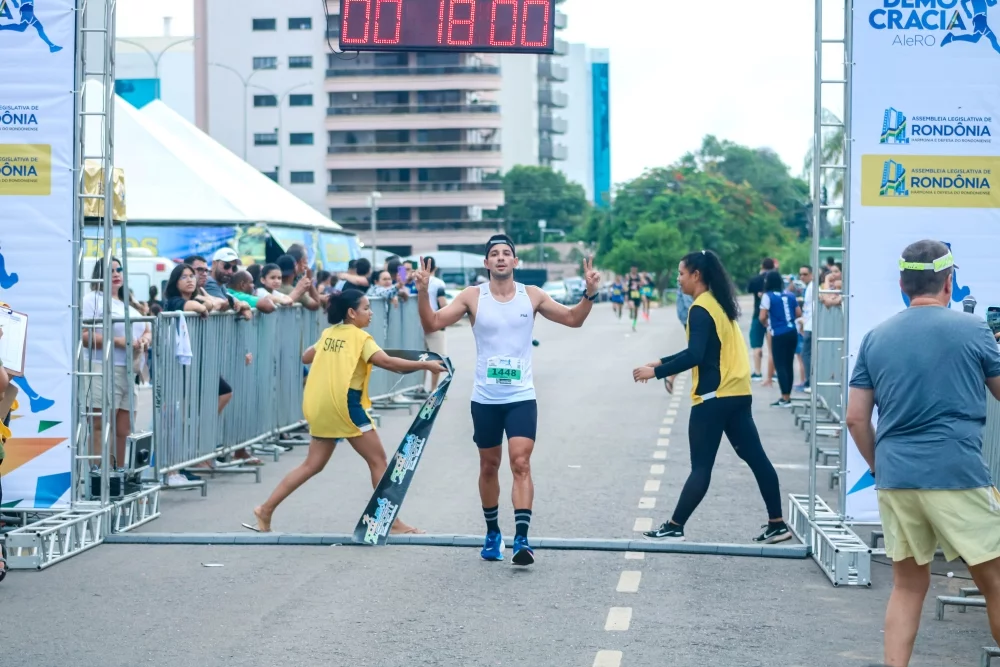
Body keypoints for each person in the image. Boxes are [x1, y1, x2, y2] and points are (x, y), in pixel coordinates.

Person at [845, 239, 1000, 667]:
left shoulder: (876, 337)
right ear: (949, 282)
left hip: (897, 476)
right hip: (957, 473)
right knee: (995, 581)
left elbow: (856, 418)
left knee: (908, 586)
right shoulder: (974, 330)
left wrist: (880, 467)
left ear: (902, 283)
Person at [412, 234, 601, 566]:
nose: (501, 258)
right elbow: (433, 322)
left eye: (507, 254)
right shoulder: (473, 296)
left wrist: (589, 293)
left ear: (516, 262)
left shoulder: (533, 296)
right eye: (494, 254)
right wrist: (423, 291)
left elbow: (574, 318)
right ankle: (492, 532)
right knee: (489, 466)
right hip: (485, 398)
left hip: (520, 396)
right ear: (486, 263)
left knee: (521, 462)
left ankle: (522, 539)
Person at [245, 289, 446, 534]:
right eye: (365, 308)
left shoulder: (329, 333)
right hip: (346, 405)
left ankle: (265, 509)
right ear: (351, 313)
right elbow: (389, 363)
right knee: (378, 461)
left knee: (312, 465)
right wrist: (425, 364)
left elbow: (307, 356)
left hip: (321, 406)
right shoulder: (361, 338)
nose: (370, 313)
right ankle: (390, 521)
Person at [632, 250, 789, 544]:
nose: (678, 280)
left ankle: (675, 526)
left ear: (696, 275)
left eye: (681, 274)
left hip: (713, 398)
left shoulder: (700, 308)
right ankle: (777, 523)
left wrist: (657, 372)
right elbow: (703, 351)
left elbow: (695, 354)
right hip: (737, 394)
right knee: (757, 459)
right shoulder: (718, 305)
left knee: (701, 466)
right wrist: (662, 362)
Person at [81, 257, 152, 468]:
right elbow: (84, 335)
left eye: (119, 269)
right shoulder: (92, 299)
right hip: (101, 367)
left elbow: (146, 327)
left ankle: (118, 475)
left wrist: (146, 339)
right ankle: (97, 478)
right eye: (110, 270)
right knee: (100, 425)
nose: (116, 273)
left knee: (124, 428)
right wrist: (117, 342)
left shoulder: (127, 300)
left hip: (129, 370)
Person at [759, 271, 801, 408]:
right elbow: (798, 313)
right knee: (789, 364)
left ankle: (785, 397)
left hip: (778, 333)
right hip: (792, 331)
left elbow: (762, 316)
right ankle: (787, 395)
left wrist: (767, 323)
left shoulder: (767, 296)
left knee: (780, 364)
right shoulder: (790, 295)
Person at [420, 256, 449, 395]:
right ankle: (433, 389)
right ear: (435, 268)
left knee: (419, 358)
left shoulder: (417, 281)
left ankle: (419, 388)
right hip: (435, 324)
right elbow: (442, 303)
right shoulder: (438, 283)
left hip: (418, 324)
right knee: (436, 358)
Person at [746, 258, 775, 382]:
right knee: (772, 347)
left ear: (762, 266)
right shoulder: (775, 278)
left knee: (757, 344)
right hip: (772, 316)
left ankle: (757, 372)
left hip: (758, 314)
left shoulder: (756, 279)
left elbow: (749, 289)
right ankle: (773, 373)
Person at [797, 265, 814, 393]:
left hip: (811, 325)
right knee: (806, 354)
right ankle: (808, 381)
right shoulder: (808, 287)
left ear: (812, 274)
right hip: (807, 324)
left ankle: (809, 382)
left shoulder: (813, 287)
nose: (802, 277)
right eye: (801, 274)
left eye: (805, 274)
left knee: (806, 354)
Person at [625, 266, 643, 332]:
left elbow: (642, 283)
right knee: (631, 306)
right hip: (630, 293)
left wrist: (640, 284)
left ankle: (634, 325)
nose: (634, 270)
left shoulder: (639, 276)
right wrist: (626, 293)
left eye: (635, 269)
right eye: (632, 269)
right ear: (631, 269)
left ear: (637, 269)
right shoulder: (628, 276)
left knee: (636, 311)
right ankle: (630, 311)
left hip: (637, 294)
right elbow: (626, 285)